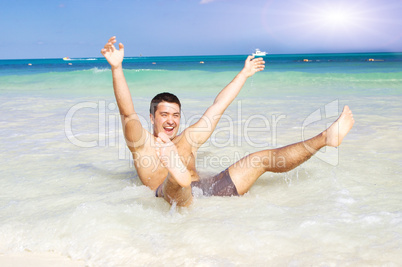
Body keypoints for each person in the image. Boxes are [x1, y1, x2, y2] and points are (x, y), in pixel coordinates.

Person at [101, 36, 355, 207]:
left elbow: (217, 107)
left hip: (208, 190)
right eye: (164, 114)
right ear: (152, 116)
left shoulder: (188, 139)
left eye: (175, 115)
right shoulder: (141, 143)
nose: (170, 120)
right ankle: (177, 177)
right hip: (170, 195)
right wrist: (116, 68)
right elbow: (127, 112)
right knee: (177, 185)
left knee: (261, 159)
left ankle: (325, 138)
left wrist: (243, 74)